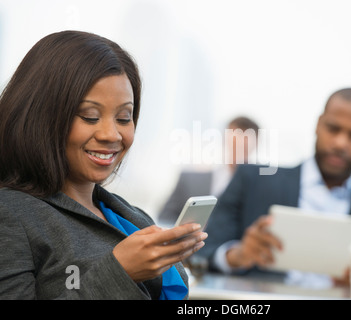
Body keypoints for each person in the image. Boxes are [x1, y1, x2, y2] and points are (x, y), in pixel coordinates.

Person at [0, 31, 207, 300]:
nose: (112, 135)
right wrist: (120, 273)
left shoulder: (131, 216)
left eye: (123, 118)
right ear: (40, 116)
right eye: (90, 116)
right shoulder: (10, 214)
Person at [198, 88, 351, 299]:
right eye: (333, 128)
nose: (341, 143)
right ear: (318, 124)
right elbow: (201, 252)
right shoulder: (252, 181)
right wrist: (237, 255)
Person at [158, 116, 259, 226]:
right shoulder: (189, 180)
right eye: (235, 142)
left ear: (255, 145)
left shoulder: (258, 189)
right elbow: (164, 218)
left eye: (244, 145)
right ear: (226, 140)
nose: (238, 149)